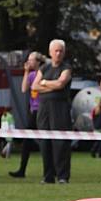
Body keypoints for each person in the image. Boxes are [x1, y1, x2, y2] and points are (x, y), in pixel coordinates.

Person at [33, 40, 73, 184]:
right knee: (45, 142)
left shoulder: (66, 68)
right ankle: (48, 176)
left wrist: (44, 83)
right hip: (44, 109)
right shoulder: (44, 68)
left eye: (60, 51)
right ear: (50, 53)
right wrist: (51, 86)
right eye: (55, 51)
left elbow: (61, 83)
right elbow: (35, 86)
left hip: (60, 108)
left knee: (61, 142)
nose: (58, 53)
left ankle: (62, 175)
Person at [10, 51, 44, 178]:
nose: (29, 62)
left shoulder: (43, 73)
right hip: (33, 109)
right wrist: (25, 72)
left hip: (42, 110)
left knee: (45, 139)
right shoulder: (31, 75)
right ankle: (22, 169)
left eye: (31, 60)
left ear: (38, 62)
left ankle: (52, 169)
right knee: (27, 140)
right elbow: (24, 89)